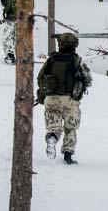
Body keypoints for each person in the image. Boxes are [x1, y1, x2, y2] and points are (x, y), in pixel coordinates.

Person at [37, 33, 92, 165]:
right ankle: (68, 155)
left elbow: (40, 78)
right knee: (70, 128)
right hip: (70, 100)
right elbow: (88, 79)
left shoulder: (51, 60)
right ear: (75, 45)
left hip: (51, 98)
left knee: (54, 128)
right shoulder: (77, 61)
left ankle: (52, 138)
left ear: (60, 44)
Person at [0, 0, 18, 64]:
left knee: (19, 37)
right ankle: (10, 55)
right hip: (10, 17)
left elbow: (30, 4)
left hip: (22, 18)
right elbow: (5, 4)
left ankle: (21, 55)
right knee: (8, 36)